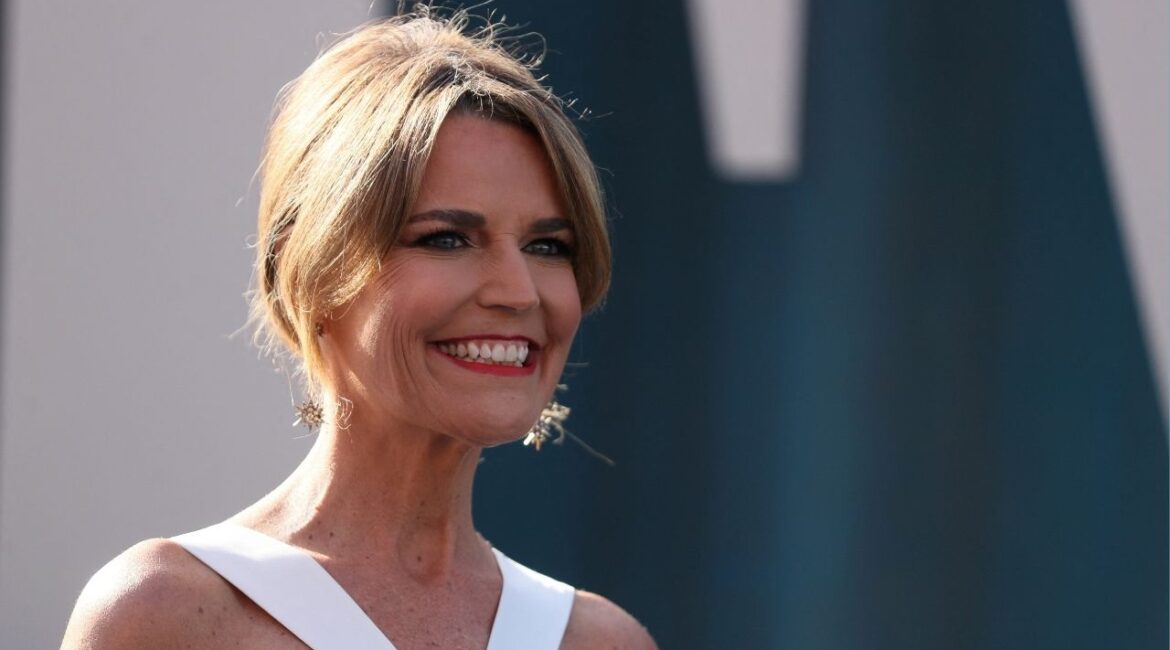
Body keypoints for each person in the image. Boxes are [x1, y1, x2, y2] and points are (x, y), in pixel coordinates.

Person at [61, 9, 656, 650]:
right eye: (447, 238)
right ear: (311, 269)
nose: (517, 293)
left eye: (547, 246)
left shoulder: (600, 640)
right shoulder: (166, 615)